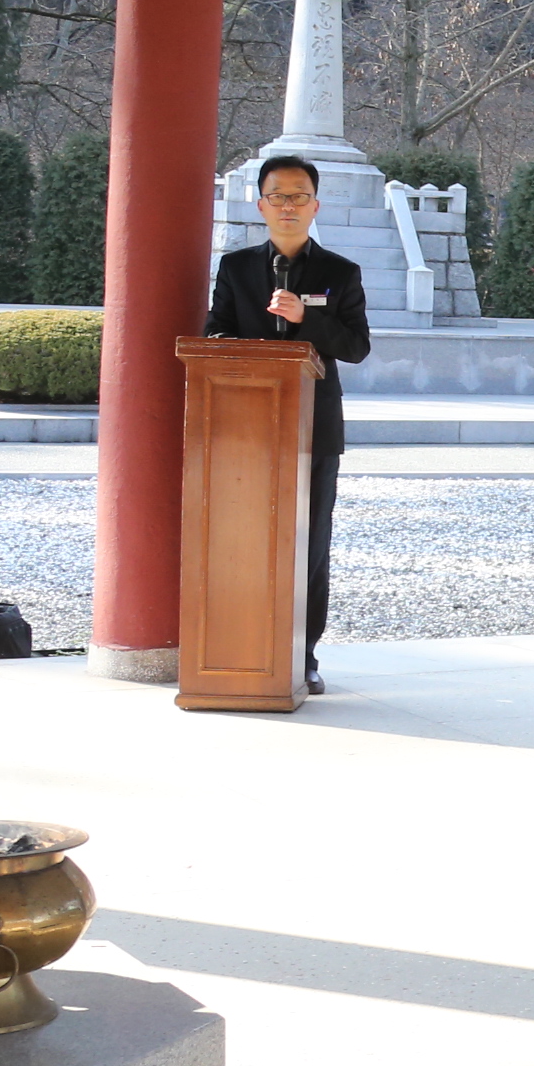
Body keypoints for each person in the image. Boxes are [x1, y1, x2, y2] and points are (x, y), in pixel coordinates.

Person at [206, 154, 371, 696]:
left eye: (299, 196)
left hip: (313, 431)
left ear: (315, 205)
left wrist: (308, 318)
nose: (288, 206)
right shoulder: (235, 270)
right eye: (278, 196)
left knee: (309, 542)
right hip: (245, 433)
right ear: (261, 204)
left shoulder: (341, 273)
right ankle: (244, 646)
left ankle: (304, 653)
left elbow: (356, 347)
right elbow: (216, 334)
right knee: (242, 538)